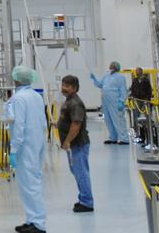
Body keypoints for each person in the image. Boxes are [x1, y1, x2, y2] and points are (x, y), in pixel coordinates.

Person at [7, 66, 46, 233]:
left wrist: (14, 149)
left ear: (17, 79)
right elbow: (43, 121)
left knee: (30, 185)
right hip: (37, 143)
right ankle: (32, 219)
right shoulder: (36, 95)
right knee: (32, 183)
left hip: (25, 146)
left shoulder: (19, 98)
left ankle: (38, 224)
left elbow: (19, 126)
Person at [57, 74, 94, 213]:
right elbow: (67, 120)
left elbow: (76, 125)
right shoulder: (68, 101)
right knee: (77, 172)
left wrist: (67, 141)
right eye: (63, 85)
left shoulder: (75, 103)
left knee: (81, 173)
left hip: (78, 144)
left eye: (67, 86)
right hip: (73, 145)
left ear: (75, 88)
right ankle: (83, 198)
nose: (63, 88)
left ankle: (87, 203)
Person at [90, 62, 129, 144]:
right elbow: (100, 85)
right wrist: (94, 79)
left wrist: (122, 101)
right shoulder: (106, 75)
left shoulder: (120, 77)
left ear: (116, 67)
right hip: (105, 101)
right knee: (108, 120)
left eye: (113, 65)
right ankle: (113, 137)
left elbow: (123, 89)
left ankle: (124, 139)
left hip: (115, 101)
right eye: (110, 65)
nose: (111, 66)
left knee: (118, 120)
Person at [129, 67, 154, 145]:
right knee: (137, 118)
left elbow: (149, 91)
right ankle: (139, 135)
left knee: (147, 119)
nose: (137, 73)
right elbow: (132, 89)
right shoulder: (135, 80)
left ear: (141, 72)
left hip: (145, 100)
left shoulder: (146, 80)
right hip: (137, 101)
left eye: (138, 71)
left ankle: (149, 137)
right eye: (136, 71)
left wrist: (147, 100)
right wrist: (133, 97)